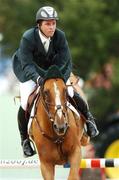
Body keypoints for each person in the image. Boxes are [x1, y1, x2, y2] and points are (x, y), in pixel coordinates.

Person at [12, 6, 99, 157]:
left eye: (53, 23)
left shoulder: (60, 36)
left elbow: (67, 62)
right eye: (48, 24)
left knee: (70, 91)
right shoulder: (28, 37)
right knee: (26, 101)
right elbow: (27, 64)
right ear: (39, 24)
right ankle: (25, 140)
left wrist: (62, 80)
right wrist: (38, 79)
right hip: (28, 71)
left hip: (52, 70)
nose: (52, 27)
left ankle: (90, 121)